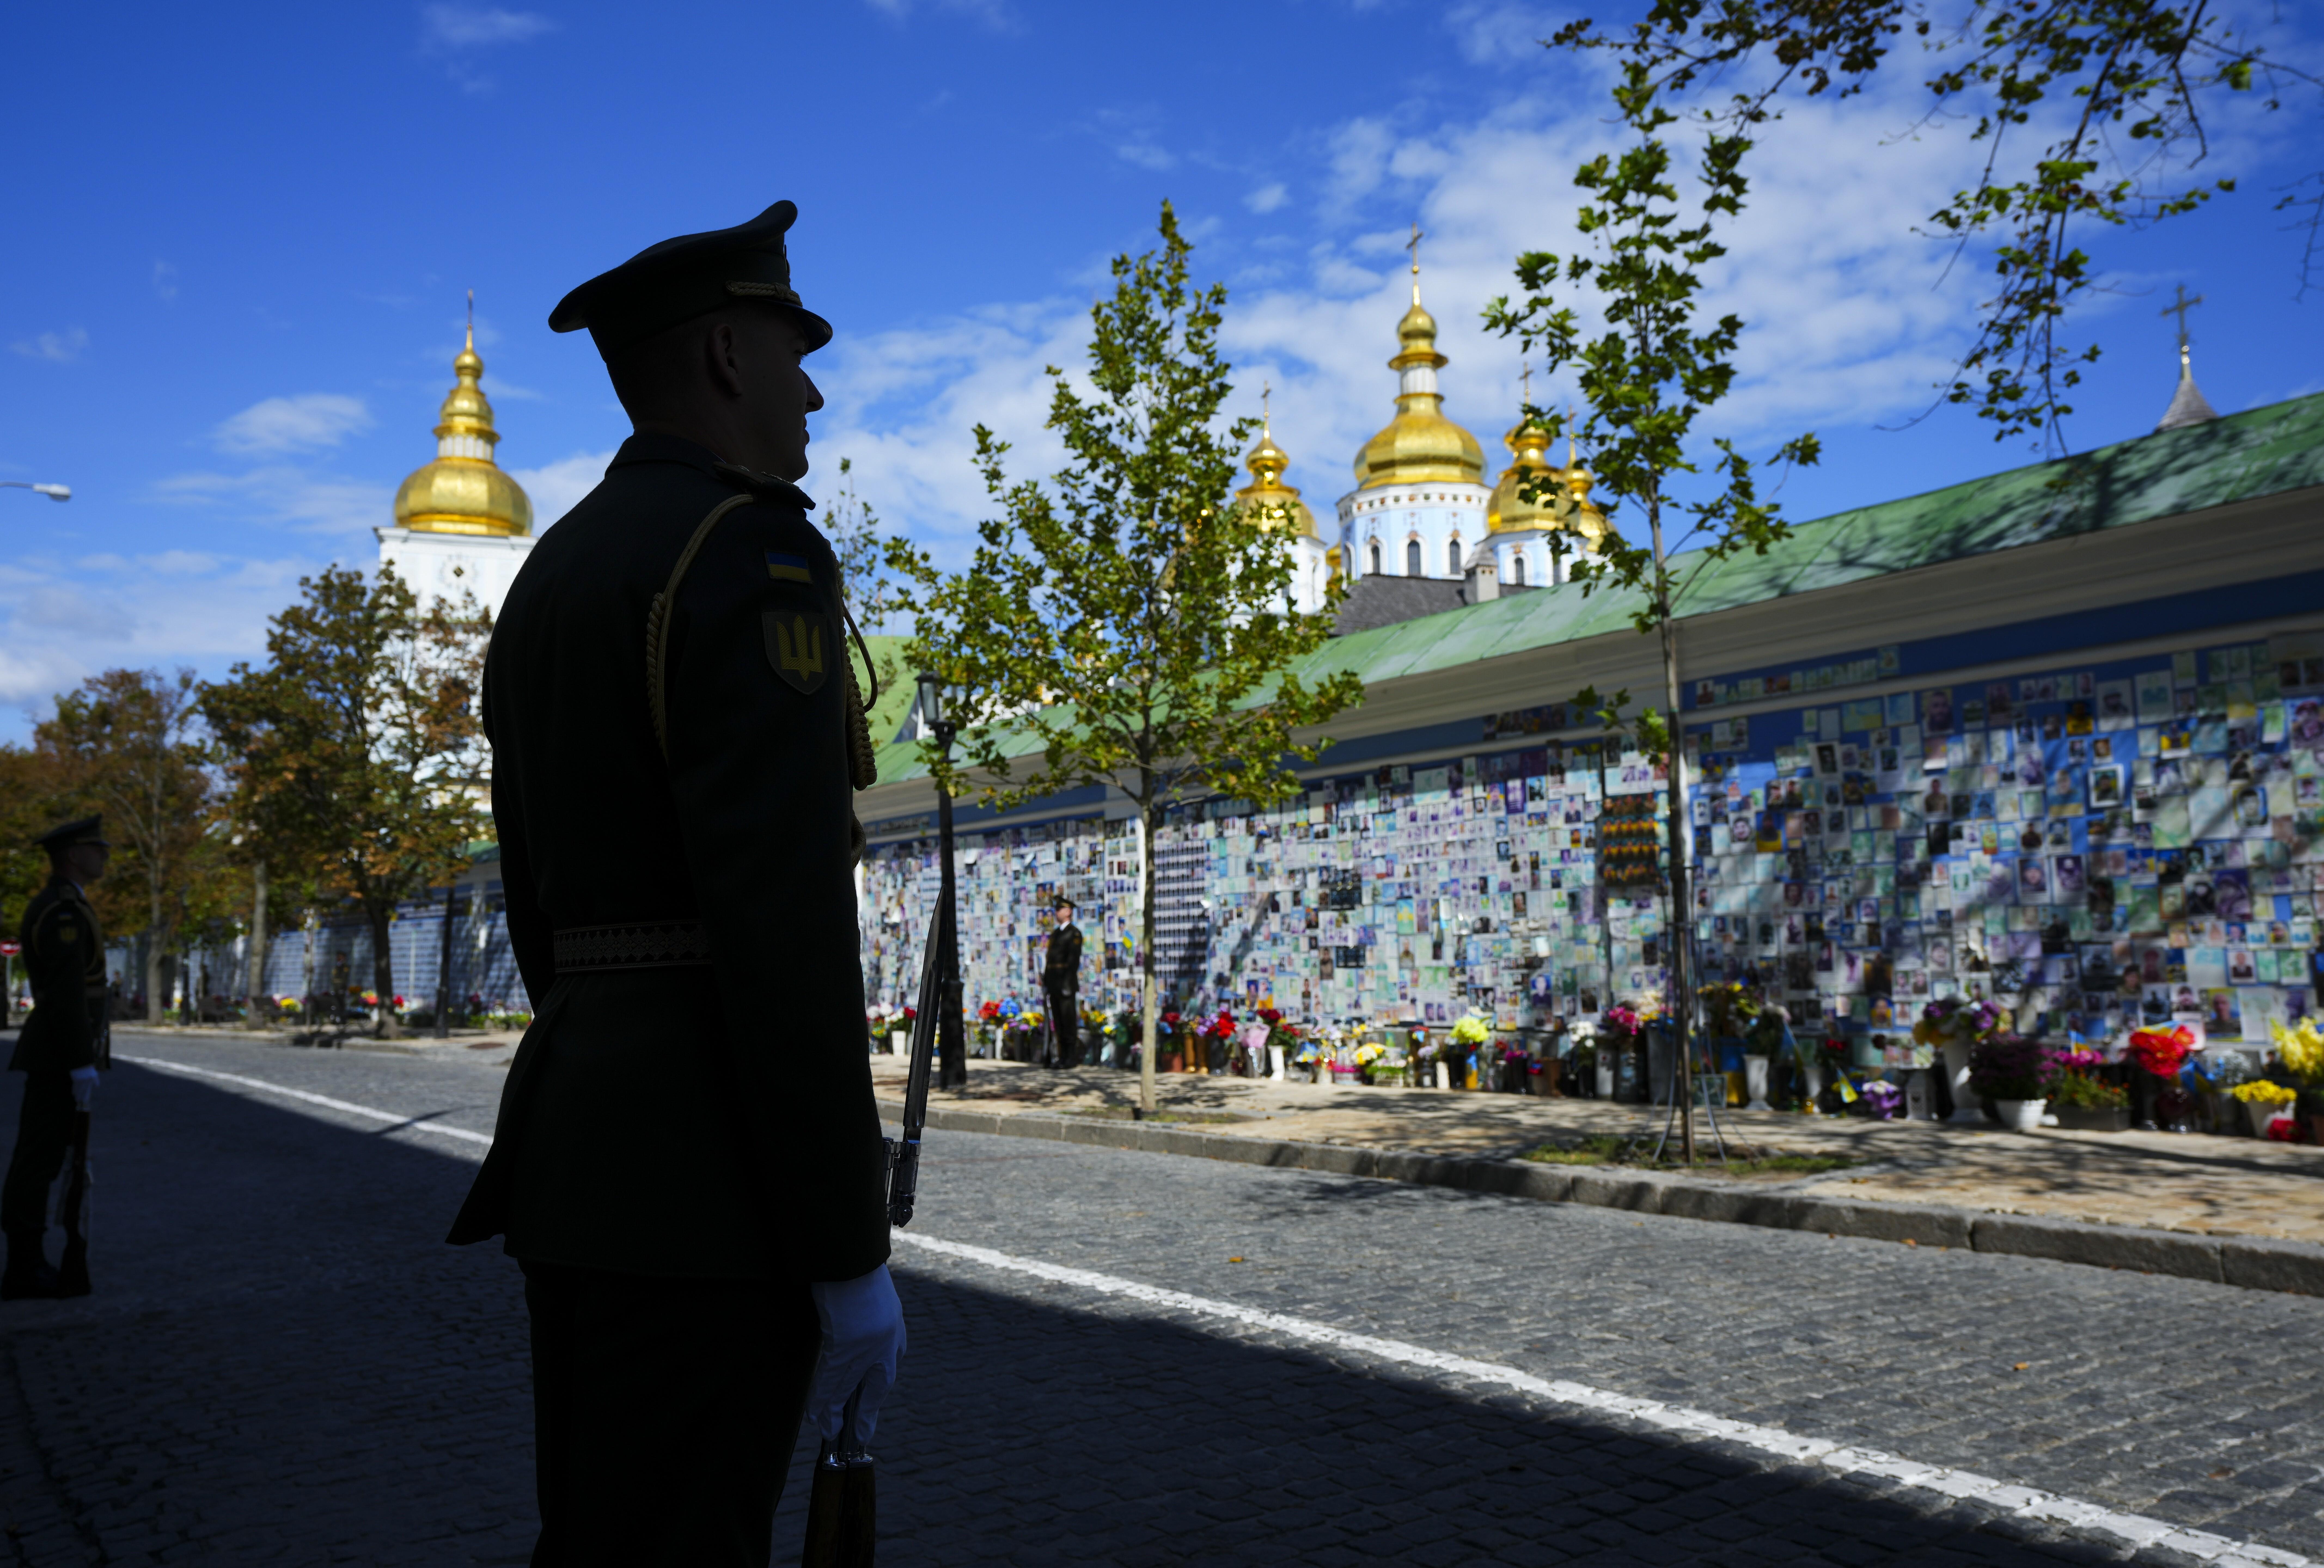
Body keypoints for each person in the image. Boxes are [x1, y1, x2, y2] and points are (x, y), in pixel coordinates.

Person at [445, 200, 904, 1568]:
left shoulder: (556, 567)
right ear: (723, 356)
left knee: (597, 1537)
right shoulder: (750, 554)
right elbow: (782, 924)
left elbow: (538, 899)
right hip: (714, 1192)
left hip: (584, 1151)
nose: (813, 385)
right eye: (791, 347)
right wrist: (847, 1242)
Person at [5, 816, 109, 1300]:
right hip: (56, 1055)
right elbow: (67, 995)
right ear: (73, 856)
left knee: (46, 1160)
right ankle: (24, 1269)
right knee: (38, 1161)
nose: (104, 855)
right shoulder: (63, 911)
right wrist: (80, 1061)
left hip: (57, 1052)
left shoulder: (67, 905)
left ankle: (29, 1262)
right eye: (97, 848)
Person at [1043, 897, 1084, 1069]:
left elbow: (1073, 962)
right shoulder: (1056, 933)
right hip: (1054, 983)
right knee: (1058, 1022)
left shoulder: (1074, 933)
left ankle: (1071, 1058)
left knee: (1068, 1022)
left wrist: (1067, 985)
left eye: (1060, 909)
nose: (1056, 912)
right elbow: (1050, 960)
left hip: (1066, 984)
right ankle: (1062, 1056)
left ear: (1068, 912)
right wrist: (1046, 982)